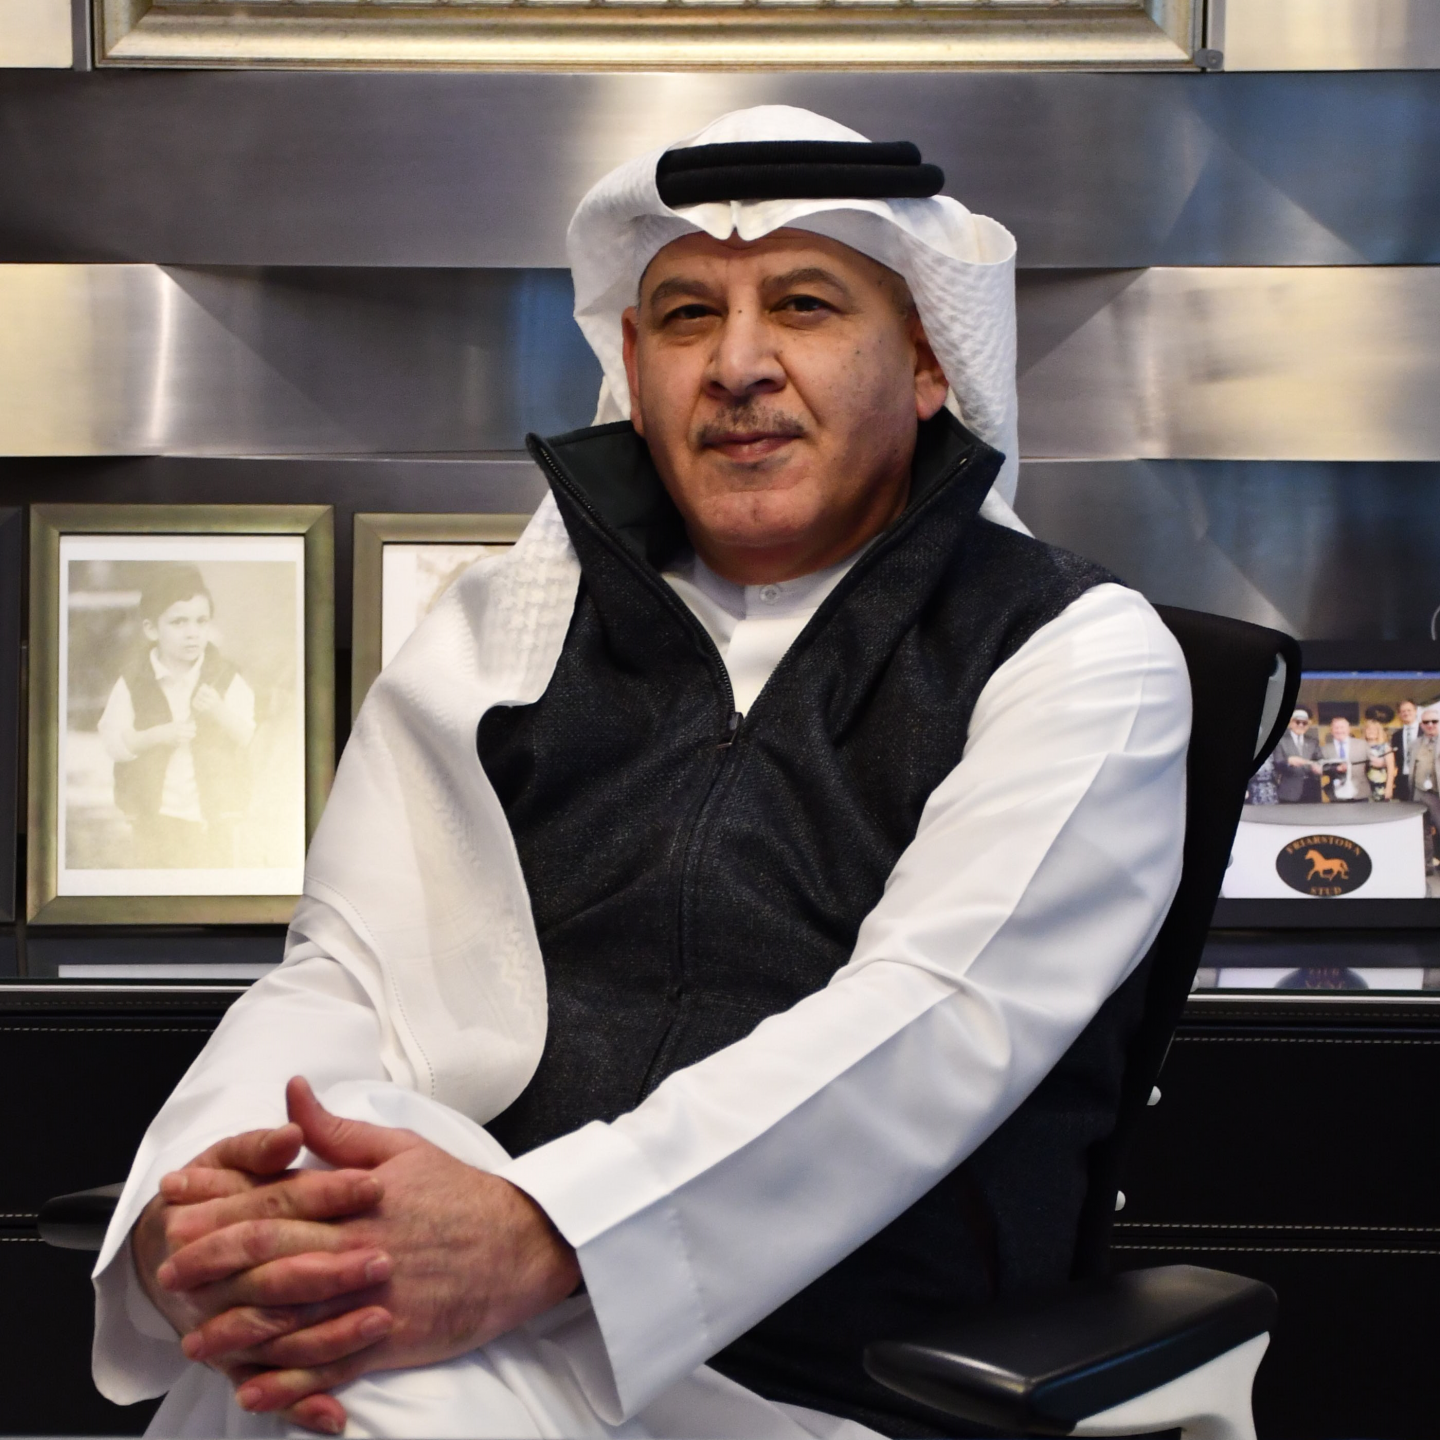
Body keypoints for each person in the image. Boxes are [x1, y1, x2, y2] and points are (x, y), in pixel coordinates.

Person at [94, 107, 1190, 1440]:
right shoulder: (500, 631)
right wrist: (194, 1218)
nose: (737, 365)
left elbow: (930, 1024)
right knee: (323, 1306)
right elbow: (349, 972)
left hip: (838, 1385)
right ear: (632, 359)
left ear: (925, 361)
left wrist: (549, 1238)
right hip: (472, 1327)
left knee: (340, 1359)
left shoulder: (1075, 656)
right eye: (683, 317)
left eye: (802, 304)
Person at [97, 563, 256, 869]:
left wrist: (219, 710)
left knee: (213, 889)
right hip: (154, 814)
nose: (192, 633)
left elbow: (248, 734)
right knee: (158, 890)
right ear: (151, 629)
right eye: (178, 622)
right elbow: (113, 741)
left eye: (201, 621)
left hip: (214, 813)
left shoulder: (224, 676)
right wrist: (155, 735)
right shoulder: (135, 680)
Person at [1409, 708, 1440, 870]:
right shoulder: (1415, 743)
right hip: (1419, 792)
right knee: (1423, 832)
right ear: (1421, 725)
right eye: (1426, 722)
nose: (1430, 725)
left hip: (1437, 794)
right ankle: (1427, 866)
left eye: (1434, 721)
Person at [1274, 707, 1323, 803]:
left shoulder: (1313, 741)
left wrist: (1318, 767)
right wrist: (1288, 762)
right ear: (1291, 723)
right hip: (1289, 791)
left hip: (1312, 790)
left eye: (1304, 723)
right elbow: (1277, 763)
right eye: (1297, 722)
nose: (1301, 725)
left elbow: (1320, 759)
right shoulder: (1281, 741)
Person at [1320, 715, 1368, 802]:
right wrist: (1336, 768)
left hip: (1360, 793)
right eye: (1336, 728)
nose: (1339, 730)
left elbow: (1371, 764)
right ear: (1331, 731)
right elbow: (1321, 769)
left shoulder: (1362, 745)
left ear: (1349, 729)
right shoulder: (1324, 749)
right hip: (1336, 794)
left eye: (1342, 727)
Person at [1362, 717, 1396, 802]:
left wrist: (1389, 788)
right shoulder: (1360, 746)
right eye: (1368, 729)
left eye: (1374, 730)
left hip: (1381, 786)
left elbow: (1391, 769)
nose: (1371, 732)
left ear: (1379, 732)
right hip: (1364, 786)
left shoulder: (1386, 747)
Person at [1392, 699, 1421, 801]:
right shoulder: (1396, 736)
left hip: (1422, 778)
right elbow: (1394, 759)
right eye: (1403, 711)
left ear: (1415, 711)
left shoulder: (1426, 730)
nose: (1406, 713)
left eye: (1409, 710)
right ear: (1399, 714)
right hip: (1403, 779)